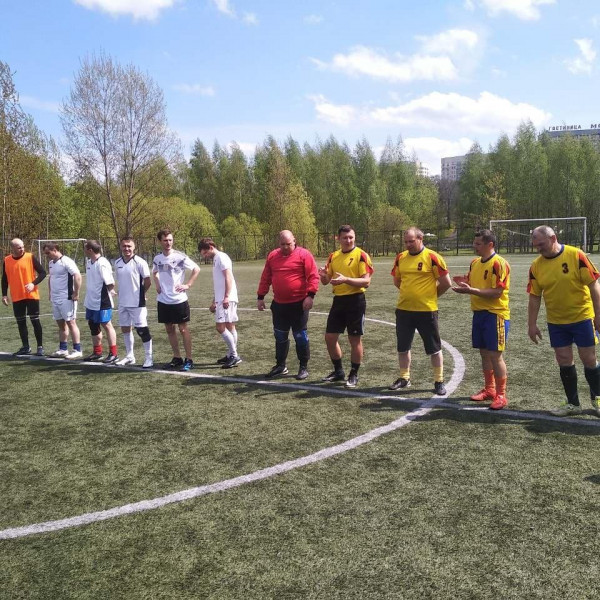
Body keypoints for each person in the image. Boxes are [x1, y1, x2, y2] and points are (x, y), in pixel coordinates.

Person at [528, 225, 600, 417]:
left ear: (553, 238)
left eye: (541, 244)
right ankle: (573, 404)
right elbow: (534, 296)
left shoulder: (576, 255)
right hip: (556, 322)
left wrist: (598, 315)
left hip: (582, 317)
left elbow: (594, 285)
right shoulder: (536, 266)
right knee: (564, 360)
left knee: (589, 359)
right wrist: (531, 324)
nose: (538, 249)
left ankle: (598, 398)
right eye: (536, 245)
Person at [452, 230, 510, 410]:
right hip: (478, 314)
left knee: (495, 355)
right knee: (484, 353)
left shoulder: (499, 263)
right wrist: (464, 283)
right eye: (474, 243)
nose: (474, 246)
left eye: (478, 244)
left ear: (489, 244)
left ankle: (501, 395)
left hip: (495, 314)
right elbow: (473, 283)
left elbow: (497, 292)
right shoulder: (475, 263)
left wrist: (471, 290)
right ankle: (490, 389)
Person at [389, 227, 451, 395]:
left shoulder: (432, 257)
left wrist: (430, 296)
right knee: (403, 347)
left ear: (420, 239)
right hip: (404, 310)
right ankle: (404, 378)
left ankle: (439, 381)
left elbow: (446, 283)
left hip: (427, 311)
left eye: (411, 241)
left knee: (434, 348)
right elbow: (397, 280)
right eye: (406, 242)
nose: (408, 244)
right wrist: (410, 293)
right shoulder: (401, 257)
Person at [257, 229, 319, 380]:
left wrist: (310, 296)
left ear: (294, 241)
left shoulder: (304, 255)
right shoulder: (273, 256)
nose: (285, 247)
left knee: (300, 336)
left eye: (288, 244)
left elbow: (313, 276)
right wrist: (260, 296)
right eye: (282, 244)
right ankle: (280, 366)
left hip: (299, 305)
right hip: (279, 305)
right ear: (279, 243)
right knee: (280, 336)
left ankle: (303, 367)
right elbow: (266, 277)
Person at [319, 224, 374, 388]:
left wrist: (346, 280)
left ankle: (354, 374)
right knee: (330, 337)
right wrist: (323, 275)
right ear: (338, 239)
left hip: (356, 301)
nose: (348, 240)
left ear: (354, 237)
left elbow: (366, 281)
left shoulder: (361, 255)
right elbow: (326, 281)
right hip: (339, 301)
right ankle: (338, 371)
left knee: (354, 339)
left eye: (351, 237)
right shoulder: (333, 256)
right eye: (345, 238)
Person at [152, 229, 200, 371]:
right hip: (163, 300)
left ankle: (189, 359)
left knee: (183, 329)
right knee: (169, 329)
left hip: (179, 300)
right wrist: (157, 284)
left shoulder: (180, 257)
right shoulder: (157, 258)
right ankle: (177, 357)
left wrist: (188, 285)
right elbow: (155, 272)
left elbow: (196, 269)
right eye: (165, 240)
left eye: (170, 240)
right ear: (160, 241)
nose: (168, 243)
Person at [198, 238, 241, 369]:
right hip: (222, 298)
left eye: (205, 253)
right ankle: (231, 354)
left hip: (226, 298)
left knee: (220, 327)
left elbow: (228, 277)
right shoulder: (217, 259)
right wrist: (214, 301)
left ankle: (234, 355)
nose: (205, 256)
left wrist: (226, 297)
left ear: (211, 247)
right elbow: (219, 283)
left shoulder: (221, 257)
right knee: (229, 326)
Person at [2, 238, 46, 356]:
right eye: (19, 247)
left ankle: (40, 347)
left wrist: (33, 283)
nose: (22, 249)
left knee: (35, 321)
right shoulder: (7, 260)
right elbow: (4, 279)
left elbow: (43, 273)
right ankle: (26, 347)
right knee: (21, 323)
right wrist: (4, 294)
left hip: (31, 295)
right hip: (17, 296)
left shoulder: (30, 257)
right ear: (13, 248)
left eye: (22, 246)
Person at [114, 237, 153, 368]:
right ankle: (130, 356)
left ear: (134, 247)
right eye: (124, 246)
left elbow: (148, 281)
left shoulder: (140, 262)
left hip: (137, 303)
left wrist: (142, 294)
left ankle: (149, 358)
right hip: (122, 302)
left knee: (142, 330)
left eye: (129, 246)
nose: (127, 248)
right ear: (121, 247)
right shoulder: (117, 262)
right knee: (125, 329)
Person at [42, 242, 83, 359]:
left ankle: (77, 349)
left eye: (48, 253)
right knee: (60, 324)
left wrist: (76, 293)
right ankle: (63, 349)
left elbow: (77, 276)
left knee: (71, 322)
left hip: (67, 297)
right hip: (55, 298)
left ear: (55, 250)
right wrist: (50, 292)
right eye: (45, 253)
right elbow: (51, 278)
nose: (47, 255)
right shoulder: (51, 263)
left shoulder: (66, 261)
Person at [83, 239, 118, 363]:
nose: (84, 250)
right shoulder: (89, 262)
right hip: (90, 300)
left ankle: (113, 353)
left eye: (85, 248)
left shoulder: (102, 263)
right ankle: (97, 352)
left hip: (102, 300)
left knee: (107, 325)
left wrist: (111, 291)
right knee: (93, 324)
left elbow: (110, 282)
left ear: (90, 250)